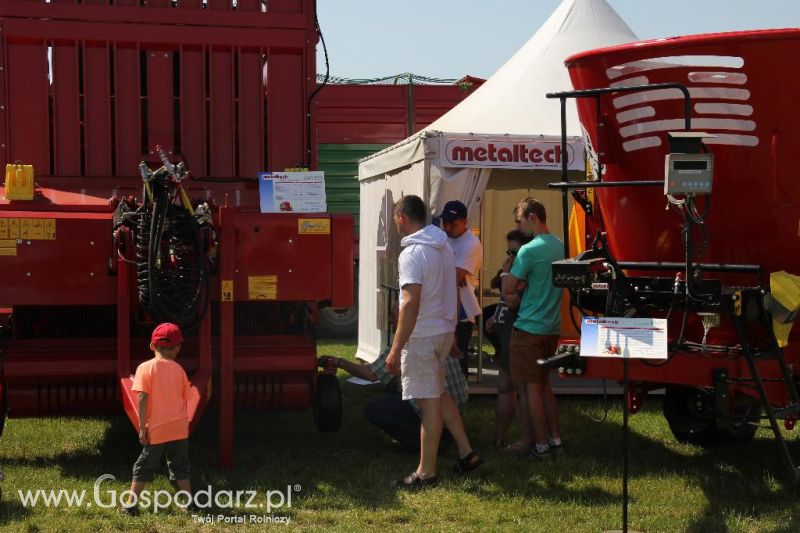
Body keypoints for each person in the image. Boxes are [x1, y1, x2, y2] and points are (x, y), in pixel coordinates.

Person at [385, 194, 482, 490]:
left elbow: (410, 302)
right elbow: (452, 291)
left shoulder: (413, 253)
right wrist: (451, 331)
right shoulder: (442, 247)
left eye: (394, 218)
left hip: (423, 336)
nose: (394, 223)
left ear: (402, 217)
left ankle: (426, 474)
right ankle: (467, 454)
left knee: (428, 405)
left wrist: (395, 349)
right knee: (440, 395)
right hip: (440, 331)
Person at [502, 198, 565, 460]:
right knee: (544, 387)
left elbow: (508, 291)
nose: (519, 225)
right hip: (552, 327)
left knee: (530, 391)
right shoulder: (561, 246)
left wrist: (508, 274)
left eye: (520, 219)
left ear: (533, 218)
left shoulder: (529, 250)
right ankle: (555, 440)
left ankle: (540, 447)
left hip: (529, 328)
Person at [317, 349, 468, 453]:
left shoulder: (406, 341)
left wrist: (339, 362)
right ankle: (451, 435)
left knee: (373, 411)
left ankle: (423, 442)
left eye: (393, 317)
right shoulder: (439, 335)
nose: (390, 321)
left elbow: (370, 374)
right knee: (393, 387)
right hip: (456, 410)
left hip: (433, 410)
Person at [122, 323, 194, 515]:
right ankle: (189, 503)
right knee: (180, 464)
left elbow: (142, 397)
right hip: (179, 429)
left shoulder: (144, 368)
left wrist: (142, 427)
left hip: (157, 428)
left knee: (144, 465)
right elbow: (186, 398)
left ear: (152, 346)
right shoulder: (179, 370)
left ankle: (130, 505)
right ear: (178, 347)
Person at [485, 230, 535, 452]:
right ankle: (498, 439)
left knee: (523, 389)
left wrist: (507, 277)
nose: (511, 255)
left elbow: (513, 299)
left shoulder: (527, 271)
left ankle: (530, 439)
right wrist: (496, 317)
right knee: (504, 387)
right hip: (507, 334)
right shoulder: (511, 268)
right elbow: (498, 286)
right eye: (509, 251)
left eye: (514, 251)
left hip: (520, 335)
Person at [440, 200, 483, 377]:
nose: (448, 227)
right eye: (445, 222)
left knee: (457, 360)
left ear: (465, 222)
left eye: (453, 223)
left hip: (463, 311)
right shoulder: (442, 237)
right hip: (443, 306)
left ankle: (460, 400)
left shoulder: (471, 244)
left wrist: (451, 274)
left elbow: (454, 279)